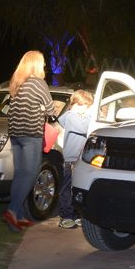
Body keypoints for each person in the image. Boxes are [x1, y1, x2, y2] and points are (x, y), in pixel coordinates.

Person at [2, 50, 55, 232]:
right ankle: (12, 210)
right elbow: (51, 110)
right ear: (36, 64)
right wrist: (44, 109)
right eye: (43, 63)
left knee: (20, 175)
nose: (45, 66)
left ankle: (19, 217)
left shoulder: (17, 82)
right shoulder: (38, 83)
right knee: (31, 174)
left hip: (15, 134)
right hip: (31, 134)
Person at [57, 90, 93, 229]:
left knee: (78, 188)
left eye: (88, 106)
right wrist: (93, 116)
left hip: (80, 160)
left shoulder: (80, 116)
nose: (87, 109)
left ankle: (77, 214)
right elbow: (85, 127)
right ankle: (66, 216)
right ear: (76, 104)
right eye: (85, 106)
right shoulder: (71, 116)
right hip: (71, 159)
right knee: (67, 189)